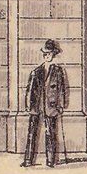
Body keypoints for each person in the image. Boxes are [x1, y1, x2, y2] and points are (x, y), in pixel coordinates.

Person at [23, 39, 68, 167]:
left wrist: (61, 106)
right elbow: (30, 90)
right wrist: (27, 105)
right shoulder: (36, 71)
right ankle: (28, 160)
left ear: (53, 55)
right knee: (32, 133)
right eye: (45, 54)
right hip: (36, 105)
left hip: (51, 106)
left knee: (51, 134)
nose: (47, 56)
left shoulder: (58, 71)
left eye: (50, 54)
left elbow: (62, 90)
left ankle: (50, 160)